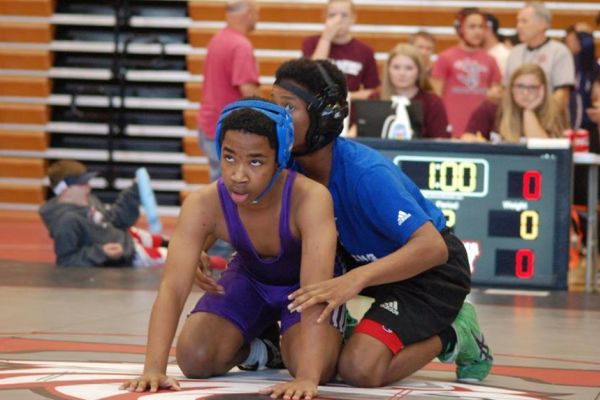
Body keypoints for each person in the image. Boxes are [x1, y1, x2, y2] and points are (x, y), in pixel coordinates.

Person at [264, 58, 492, 391]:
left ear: (323, 116)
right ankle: (352, 328)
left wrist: (356, 279)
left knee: (360, 370)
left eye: (288, 107)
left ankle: (455, 331)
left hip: (427, 272)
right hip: (362, 264)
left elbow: (433, 247)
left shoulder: (366, 174)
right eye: (273, 105)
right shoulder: (285, 162)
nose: (276, 117)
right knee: (315, 359)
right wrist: (205, 241)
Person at [121, 99, 344, 400]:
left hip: (303, 289)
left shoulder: (310, 198)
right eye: (229, 158)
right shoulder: (203, 204)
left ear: (279, 158)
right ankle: (263, 348)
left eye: (255, 161)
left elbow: (315, 291)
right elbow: (173, 287)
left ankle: (316, 339)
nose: (238, 175)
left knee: (317, 366)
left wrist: (307, 377)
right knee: (195, 358)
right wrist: (153, 368)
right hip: (251, 279)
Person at [39, 160, 167, 267]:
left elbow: (112, 219)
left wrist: (133, 193)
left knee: (168, 242)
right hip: (126, 254)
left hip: (124, 237)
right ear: (63, 189)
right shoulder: (65, 222)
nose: (88, 187)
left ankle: (164, 244)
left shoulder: (88, 200)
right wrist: (101, 252)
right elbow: (66, 260)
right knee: (174, 257)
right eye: (82, 183)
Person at [198, 0, 260, 182]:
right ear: (249, 13)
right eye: (257, 12)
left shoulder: (218, 39)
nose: (258, 18)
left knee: (219, 184)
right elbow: (248, 91)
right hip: (225, 130)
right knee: (225, 189)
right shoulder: (241, 46)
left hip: (209, 125)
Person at [348, 43, 449, 139]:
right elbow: (356, 134)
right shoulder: (374, 99)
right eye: (396, 67)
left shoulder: (433, 103)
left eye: (409, 68)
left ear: (419, 72)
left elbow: (441, 142)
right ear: (388, 70)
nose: (402, 73)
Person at [431, 7, 502, 138]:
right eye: (472, 27)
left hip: (480, 132)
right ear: (460, 29)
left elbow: (496, 96)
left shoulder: (491, 60)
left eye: (481, 27)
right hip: (451, 131)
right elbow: (436, 97)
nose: (478, 31)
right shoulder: (445, 58)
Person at [463, 63, 567, 142]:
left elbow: (545, 153)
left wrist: (528, 111)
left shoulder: (554, 110)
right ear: (511, 88)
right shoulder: (491, 107)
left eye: (532, 88)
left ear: (542, 89)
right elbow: (466, 138)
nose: (525, 93)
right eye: (520, 86)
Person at [302, 0, 380, 100]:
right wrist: (326, 38)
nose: (338, 20)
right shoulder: (311, 43)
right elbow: (311, 76)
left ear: (353, 19)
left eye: (344, 15)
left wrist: (347, 97)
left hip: (349, 109)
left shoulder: (365, 51)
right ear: (325, 18)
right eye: (332, 15)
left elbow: (372, 91)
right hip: (316, 108)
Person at [505, 1, 575, 109]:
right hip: (516, 118)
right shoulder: (515, 52)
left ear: (542, 24)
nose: (518, 26)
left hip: (548, 120)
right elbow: (506, 89)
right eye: (518, 21)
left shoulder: (559, 51)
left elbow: (562, 95)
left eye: (524, 21)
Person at [482, 12, 510, 78]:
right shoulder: (478, 53)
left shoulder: (503, 55)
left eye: (479, 27)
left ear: (488, 29)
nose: (476, 32)